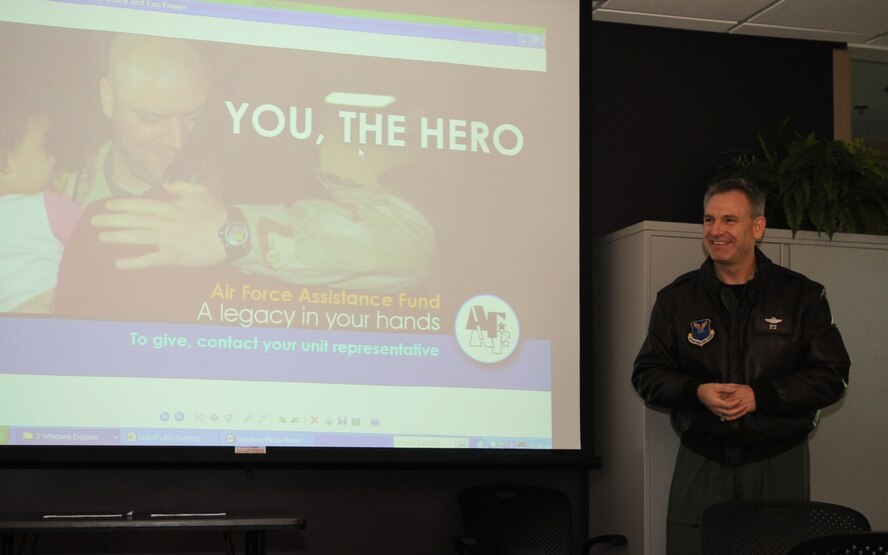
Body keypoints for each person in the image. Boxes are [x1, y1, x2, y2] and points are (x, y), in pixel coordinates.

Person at [55, 33, 435, 320]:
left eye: (193, 115)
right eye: (151, 119)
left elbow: (414, 245)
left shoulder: (279, 183)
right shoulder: (47, 198)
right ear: (108, 98)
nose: (177, 141)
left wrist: (236, 232)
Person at [631, 179, 851, 555]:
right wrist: (696, 392)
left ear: (757, 228)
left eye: (729, 220)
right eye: (709, 220)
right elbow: (647, 373)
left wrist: (759, 396)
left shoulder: (801, 296)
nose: (716, 231)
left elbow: (831, 376)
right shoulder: (677, 299)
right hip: (702, 457)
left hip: (778, 458)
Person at [0, 89, 82, 313]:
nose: (52, 157)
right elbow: (100, 248)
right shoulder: (49, 205)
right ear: (4, 161)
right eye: (43, 145)